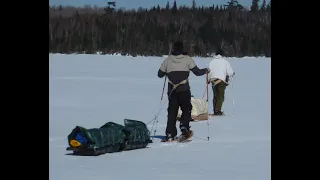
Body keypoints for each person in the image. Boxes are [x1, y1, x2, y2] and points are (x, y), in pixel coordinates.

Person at [157, 41, 210, 142]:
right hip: (184, 90)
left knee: (172, 111)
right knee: (186, 109)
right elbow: (197, 72)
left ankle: (169, 134)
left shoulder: (167, 60)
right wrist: (206, 70)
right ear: (182, 49)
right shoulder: (187, 59)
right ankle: (184, 127)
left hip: (172, 91)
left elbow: (160, 74)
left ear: (173, 49)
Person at [207, 49, 235, 115]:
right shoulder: (225, 62)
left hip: (213, 81)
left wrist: (208, 79)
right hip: (221, 81)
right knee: (221, 96)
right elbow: (230, 72)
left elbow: (208, 72)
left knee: (215, 96)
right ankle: (217, 110)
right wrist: (233, 73)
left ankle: (215, 110)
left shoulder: (212, 62)